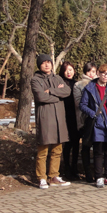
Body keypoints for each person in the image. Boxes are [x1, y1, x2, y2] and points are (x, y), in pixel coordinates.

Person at [80, 64, 107, 188]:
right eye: (103, 73)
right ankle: (99, 176)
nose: (106, 76)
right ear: (98, 73)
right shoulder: (90, 88)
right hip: (98, 123)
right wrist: (93, 113)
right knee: (98, 151)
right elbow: (82, 104)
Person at [31, 54, 71, 190]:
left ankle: (54, 176)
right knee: (43, 150)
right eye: (44, 63)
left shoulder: (57, 78)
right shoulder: (35, 80)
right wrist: (58, 97)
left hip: (59, 118)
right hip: (45, 118)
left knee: (57, 150)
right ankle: (41, 178)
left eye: (49, 62)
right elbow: (41, 97)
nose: (47, 65)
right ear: (39, 65)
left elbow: (67, 91)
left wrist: (51, 91)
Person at [74, 62, 97, 182]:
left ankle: (97, 172)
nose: (91, 74)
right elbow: (78, 103)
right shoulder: (79, 84)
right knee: (86, 146)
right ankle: (87, 172)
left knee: (98, 147)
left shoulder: (99, 83)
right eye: (89, 71)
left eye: (94, 71)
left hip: (98, 120)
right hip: (85, 120)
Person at [58, 61, 80, 181]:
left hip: (75, 117)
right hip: (64, 117)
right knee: (68, 144)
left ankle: (75, 168)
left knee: (76, 143)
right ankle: (66, 168)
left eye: (70, 70)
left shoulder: (76, 84)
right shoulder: (60, 83)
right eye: (66, 70)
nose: (69, 72)